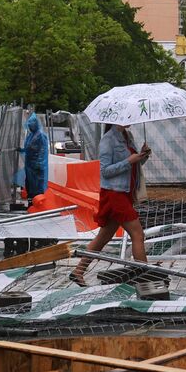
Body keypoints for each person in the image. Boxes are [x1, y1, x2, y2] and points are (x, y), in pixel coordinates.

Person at [70, 123, 150, 286]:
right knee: (138, 235)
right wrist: (129, 160)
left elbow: (133, 166)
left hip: (125, 193)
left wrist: (143, 156)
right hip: (114, 194)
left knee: (104, 236)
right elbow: (105, 170)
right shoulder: (107, 140)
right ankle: (145, 278)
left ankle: (78, 271)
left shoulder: (128, 136)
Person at [20, 112, 50, 198]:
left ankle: (39, 201)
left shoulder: (41, 135)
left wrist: (39, 163)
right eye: (29, 125)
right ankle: (32, 202)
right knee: (30, 184)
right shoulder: (30, 135)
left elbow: (42, 150)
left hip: (37, 165)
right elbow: (28, 148)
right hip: (30, 164)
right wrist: (21, 150)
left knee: (38, 185)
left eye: (31, 125)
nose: (29, 127)